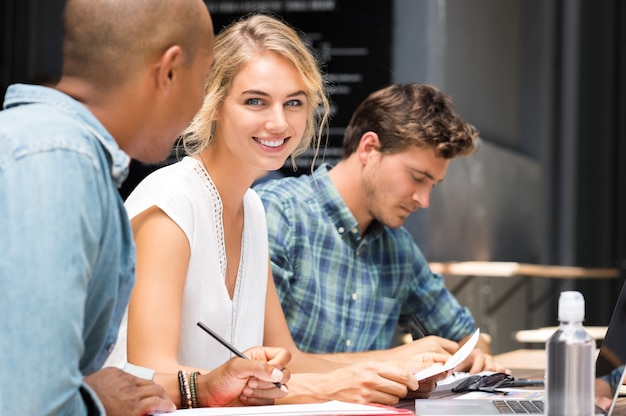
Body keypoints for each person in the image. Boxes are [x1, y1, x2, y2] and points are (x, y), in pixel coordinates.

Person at [110, 13, 450, 407]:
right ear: (213, 103)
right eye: (255, 101)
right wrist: (326, 388)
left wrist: (393, 373)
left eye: (294, 103)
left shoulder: (251, 209)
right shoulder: (171, 203)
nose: (278, 122)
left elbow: (294, 360)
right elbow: (153, 383)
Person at [0, 1, 290, 414]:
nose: (200, 104)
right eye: (205, 77)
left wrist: (197, 389)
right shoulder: (57, 163)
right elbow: (33, 400)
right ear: (169, 70)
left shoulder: (54, 152)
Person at [254, 82, 507, 373]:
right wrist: (395, 358)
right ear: (369, 148)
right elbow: (259, 363)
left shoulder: (398, 248)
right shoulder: (278, 214)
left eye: (432, 185)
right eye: (416, 177)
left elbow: (468, 337)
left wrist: (476, 357)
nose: (424, 200)